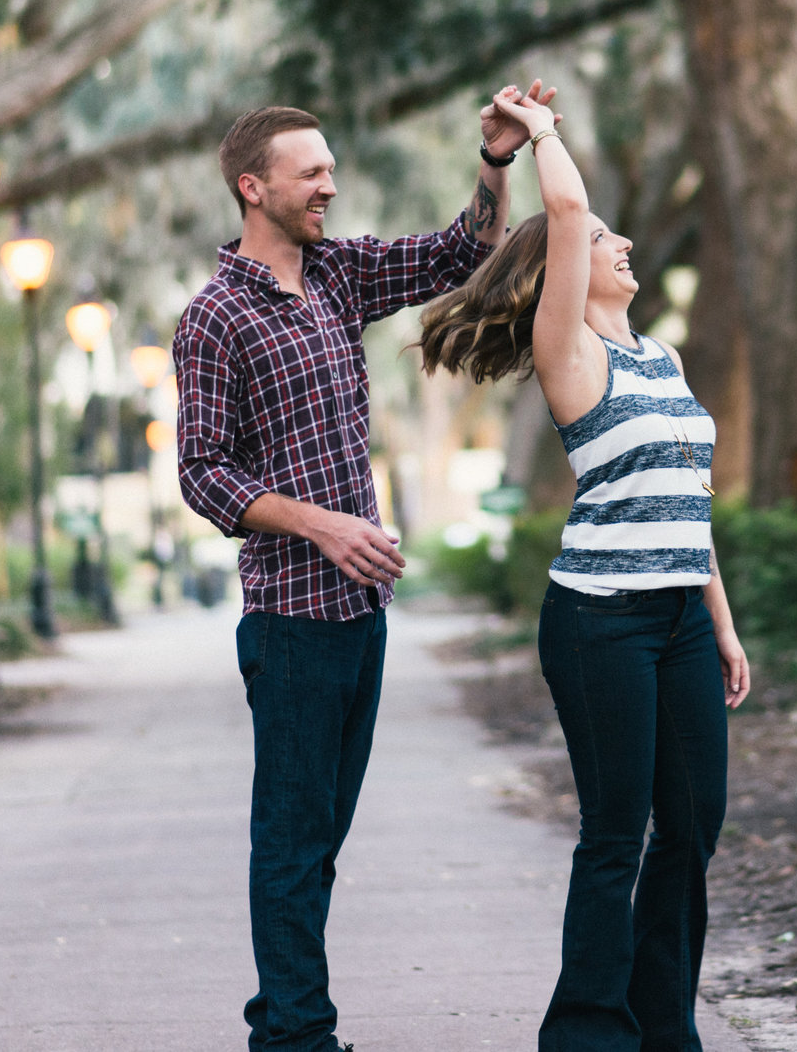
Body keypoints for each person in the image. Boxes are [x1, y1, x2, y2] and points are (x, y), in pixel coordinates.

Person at [175, 92, 546, 1052]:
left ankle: (285, 1015)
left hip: (362, 612)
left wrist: (494, 160)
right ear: (253, 188)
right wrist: (321, 526)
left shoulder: (336, 275)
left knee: (319, 841)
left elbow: (457, 253)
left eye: (331, 168)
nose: (330, 184)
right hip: (293, 621)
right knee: (292, 842)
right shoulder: (214, 318)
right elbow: (204, 473)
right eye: (311, 172)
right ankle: (295, 1035)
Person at [418, 84, 751, 1052]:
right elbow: (563, 209)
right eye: (606, 239)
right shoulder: (569, 354)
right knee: (615, 833)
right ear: (565, 268)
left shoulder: (661, 360)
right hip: (599, 618)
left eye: (617, 237)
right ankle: (585, 1033)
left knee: (691, 827)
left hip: (680, 619)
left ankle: (664, 1025)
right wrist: (542, 135)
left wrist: (719, 623)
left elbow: (691, 503)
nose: (621, 245)